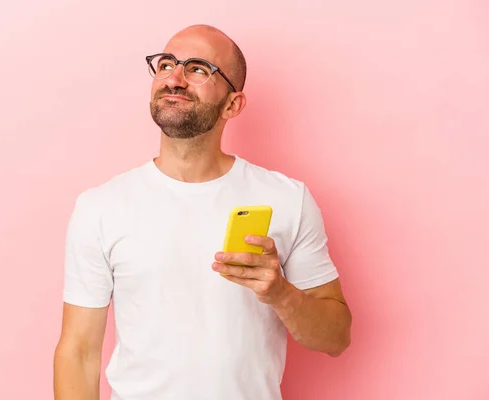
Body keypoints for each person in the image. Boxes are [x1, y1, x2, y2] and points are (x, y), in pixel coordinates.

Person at [53, 24, 352, 400]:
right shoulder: (101, 207)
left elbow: (337, 338)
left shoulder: (288, 199)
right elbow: (78, 352)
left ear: (233, 104)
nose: (175, 78)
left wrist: (281, 294)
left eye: (197, 68)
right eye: (166, 64)